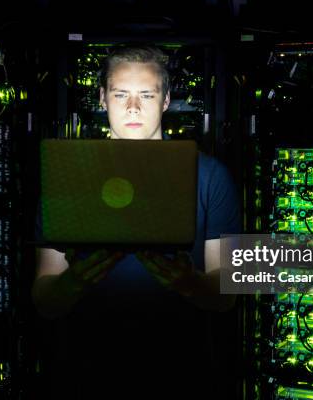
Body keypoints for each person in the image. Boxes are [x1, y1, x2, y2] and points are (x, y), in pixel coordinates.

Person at [32, 45, 241, 399]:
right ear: (102, 98)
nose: (132, 107)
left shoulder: (211, 175)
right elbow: (43, 298)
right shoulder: (68, 175)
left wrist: (188, 282)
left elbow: (229, 294)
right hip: (86, 374)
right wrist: (75, 282)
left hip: (183, 373)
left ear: (165, 100)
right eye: (120, 94)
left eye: (146, 94)